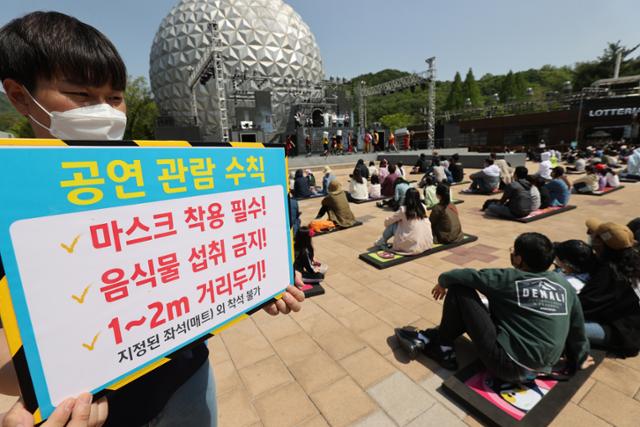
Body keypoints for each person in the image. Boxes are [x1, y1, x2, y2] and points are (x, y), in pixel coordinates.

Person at [0, 11, 305, 427]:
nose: (104, 112)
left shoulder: (165, 179)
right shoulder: (10, 201)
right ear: (19, 96)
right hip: (104, 416)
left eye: (114, 98)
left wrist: (259, 287)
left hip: (188, 377)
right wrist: (42, 389)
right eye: (80, 94)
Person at [397, 232, 594, 381]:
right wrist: (579, 356)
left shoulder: (509, 278)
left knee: (460, 290)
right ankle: (440, 336)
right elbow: (577, 328)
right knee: (491, 308)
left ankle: (442, 343)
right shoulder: (564, 286)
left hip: (507, 366)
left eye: (514, 252)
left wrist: (443, 282)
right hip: (545, 367)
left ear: (519, 259)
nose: (512, 255)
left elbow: (463, 276)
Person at [580, 219, 640, 356]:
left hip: (621, 333)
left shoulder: (610, 273)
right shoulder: (630, 260)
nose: (590, 237)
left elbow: (583, 306)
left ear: (601, 243)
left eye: (594, 236)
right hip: (629, 325)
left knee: (557, 324)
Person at [374, 188, 433, 254]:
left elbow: (388, 221)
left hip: (410, 246)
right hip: (425, 244)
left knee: (393, 224)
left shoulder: (403, 210)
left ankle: (381, 241)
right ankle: (381, 241)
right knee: (400, 222)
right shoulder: (423, 207)